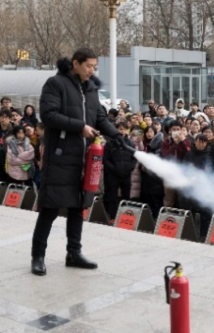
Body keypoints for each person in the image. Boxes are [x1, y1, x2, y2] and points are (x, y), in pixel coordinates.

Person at [31, 48, 121, 276]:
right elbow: (48, 115)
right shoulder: (56, 83)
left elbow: (99, 117)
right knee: (49, 209)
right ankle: (38, 256)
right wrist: (79, 127)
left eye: (94, 67)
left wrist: (117, 135)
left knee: (77, 207)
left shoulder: (90, 88)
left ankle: (74, 253)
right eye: (89, 66)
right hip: (60, 157)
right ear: (76, 63)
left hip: (83, 159)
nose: (92, 70)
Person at [103, 122, 137, 221]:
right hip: (113, 175)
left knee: (126, 196)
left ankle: (126, 217)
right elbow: (105, 159)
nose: (122, 131)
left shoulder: (130, 143)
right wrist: (113, 168)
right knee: (112, 196)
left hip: (126, 174)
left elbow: (134, 158)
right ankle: (112, 216)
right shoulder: (110, 143)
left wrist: (130, 167)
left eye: (124, 129)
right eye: (120, 129)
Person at [160, 121, 191, 207]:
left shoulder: (186, 141)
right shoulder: (166, 141)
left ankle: (182, 217)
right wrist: (175, 144)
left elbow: (189, 153)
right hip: (169, 172)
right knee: (169, 198)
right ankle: (168, 217)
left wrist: (183, 142)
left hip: (182, 172)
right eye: (174, 129)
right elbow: (166, 155)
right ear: (169, 131)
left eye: (178, 129)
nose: (176, 131)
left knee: (181, 197)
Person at [0, 110, 13, 182]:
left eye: (6, 117)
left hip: (9, 157)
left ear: (10, 119)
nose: (3, 119)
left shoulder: (14, 129)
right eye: (1, 117)